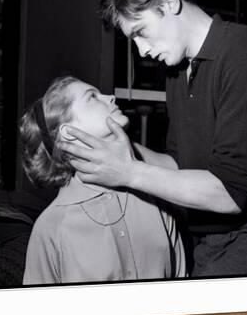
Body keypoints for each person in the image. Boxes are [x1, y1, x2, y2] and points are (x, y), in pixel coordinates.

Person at [59, 0, 247, 277]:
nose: (142, 51)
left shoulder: (244, 51)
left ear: (169, 2)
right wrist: (115, 151)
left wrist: (128, 171)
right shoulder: (178, 73)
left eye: (141, 33)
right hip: (210, 242)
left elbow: (229, 193)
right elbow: (180, 165)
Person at [19, 75, 186, 285]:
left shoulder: (155, 201)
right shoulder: (51, 228)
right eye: (92, 97)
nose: (111, 97)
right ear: (68, 132)